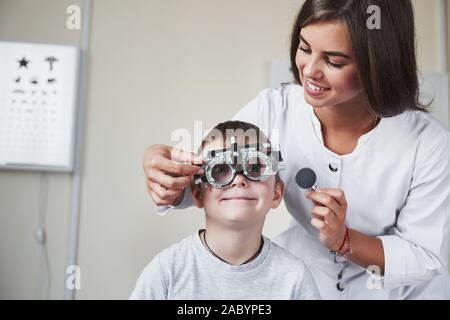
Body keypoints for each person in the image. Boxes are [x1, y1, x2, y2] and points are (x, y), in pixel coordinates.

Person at [142, 0, 450, 299]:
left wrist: (344, 240)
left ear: (379, 63)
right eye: (304, 48)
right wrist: (164, 170)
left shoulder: (428, 143)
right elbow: (209, 178)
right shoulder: (275, 109)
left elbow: (422, 259)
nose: (310, 70)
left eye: (334, 61)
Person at [131, 121, 320, 299]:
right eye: (220, 169)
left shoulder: (294, 277)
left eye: (255, 168)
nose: (238, 180)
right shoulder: (167, 271)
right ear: (197, 194)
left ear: (276, 194)